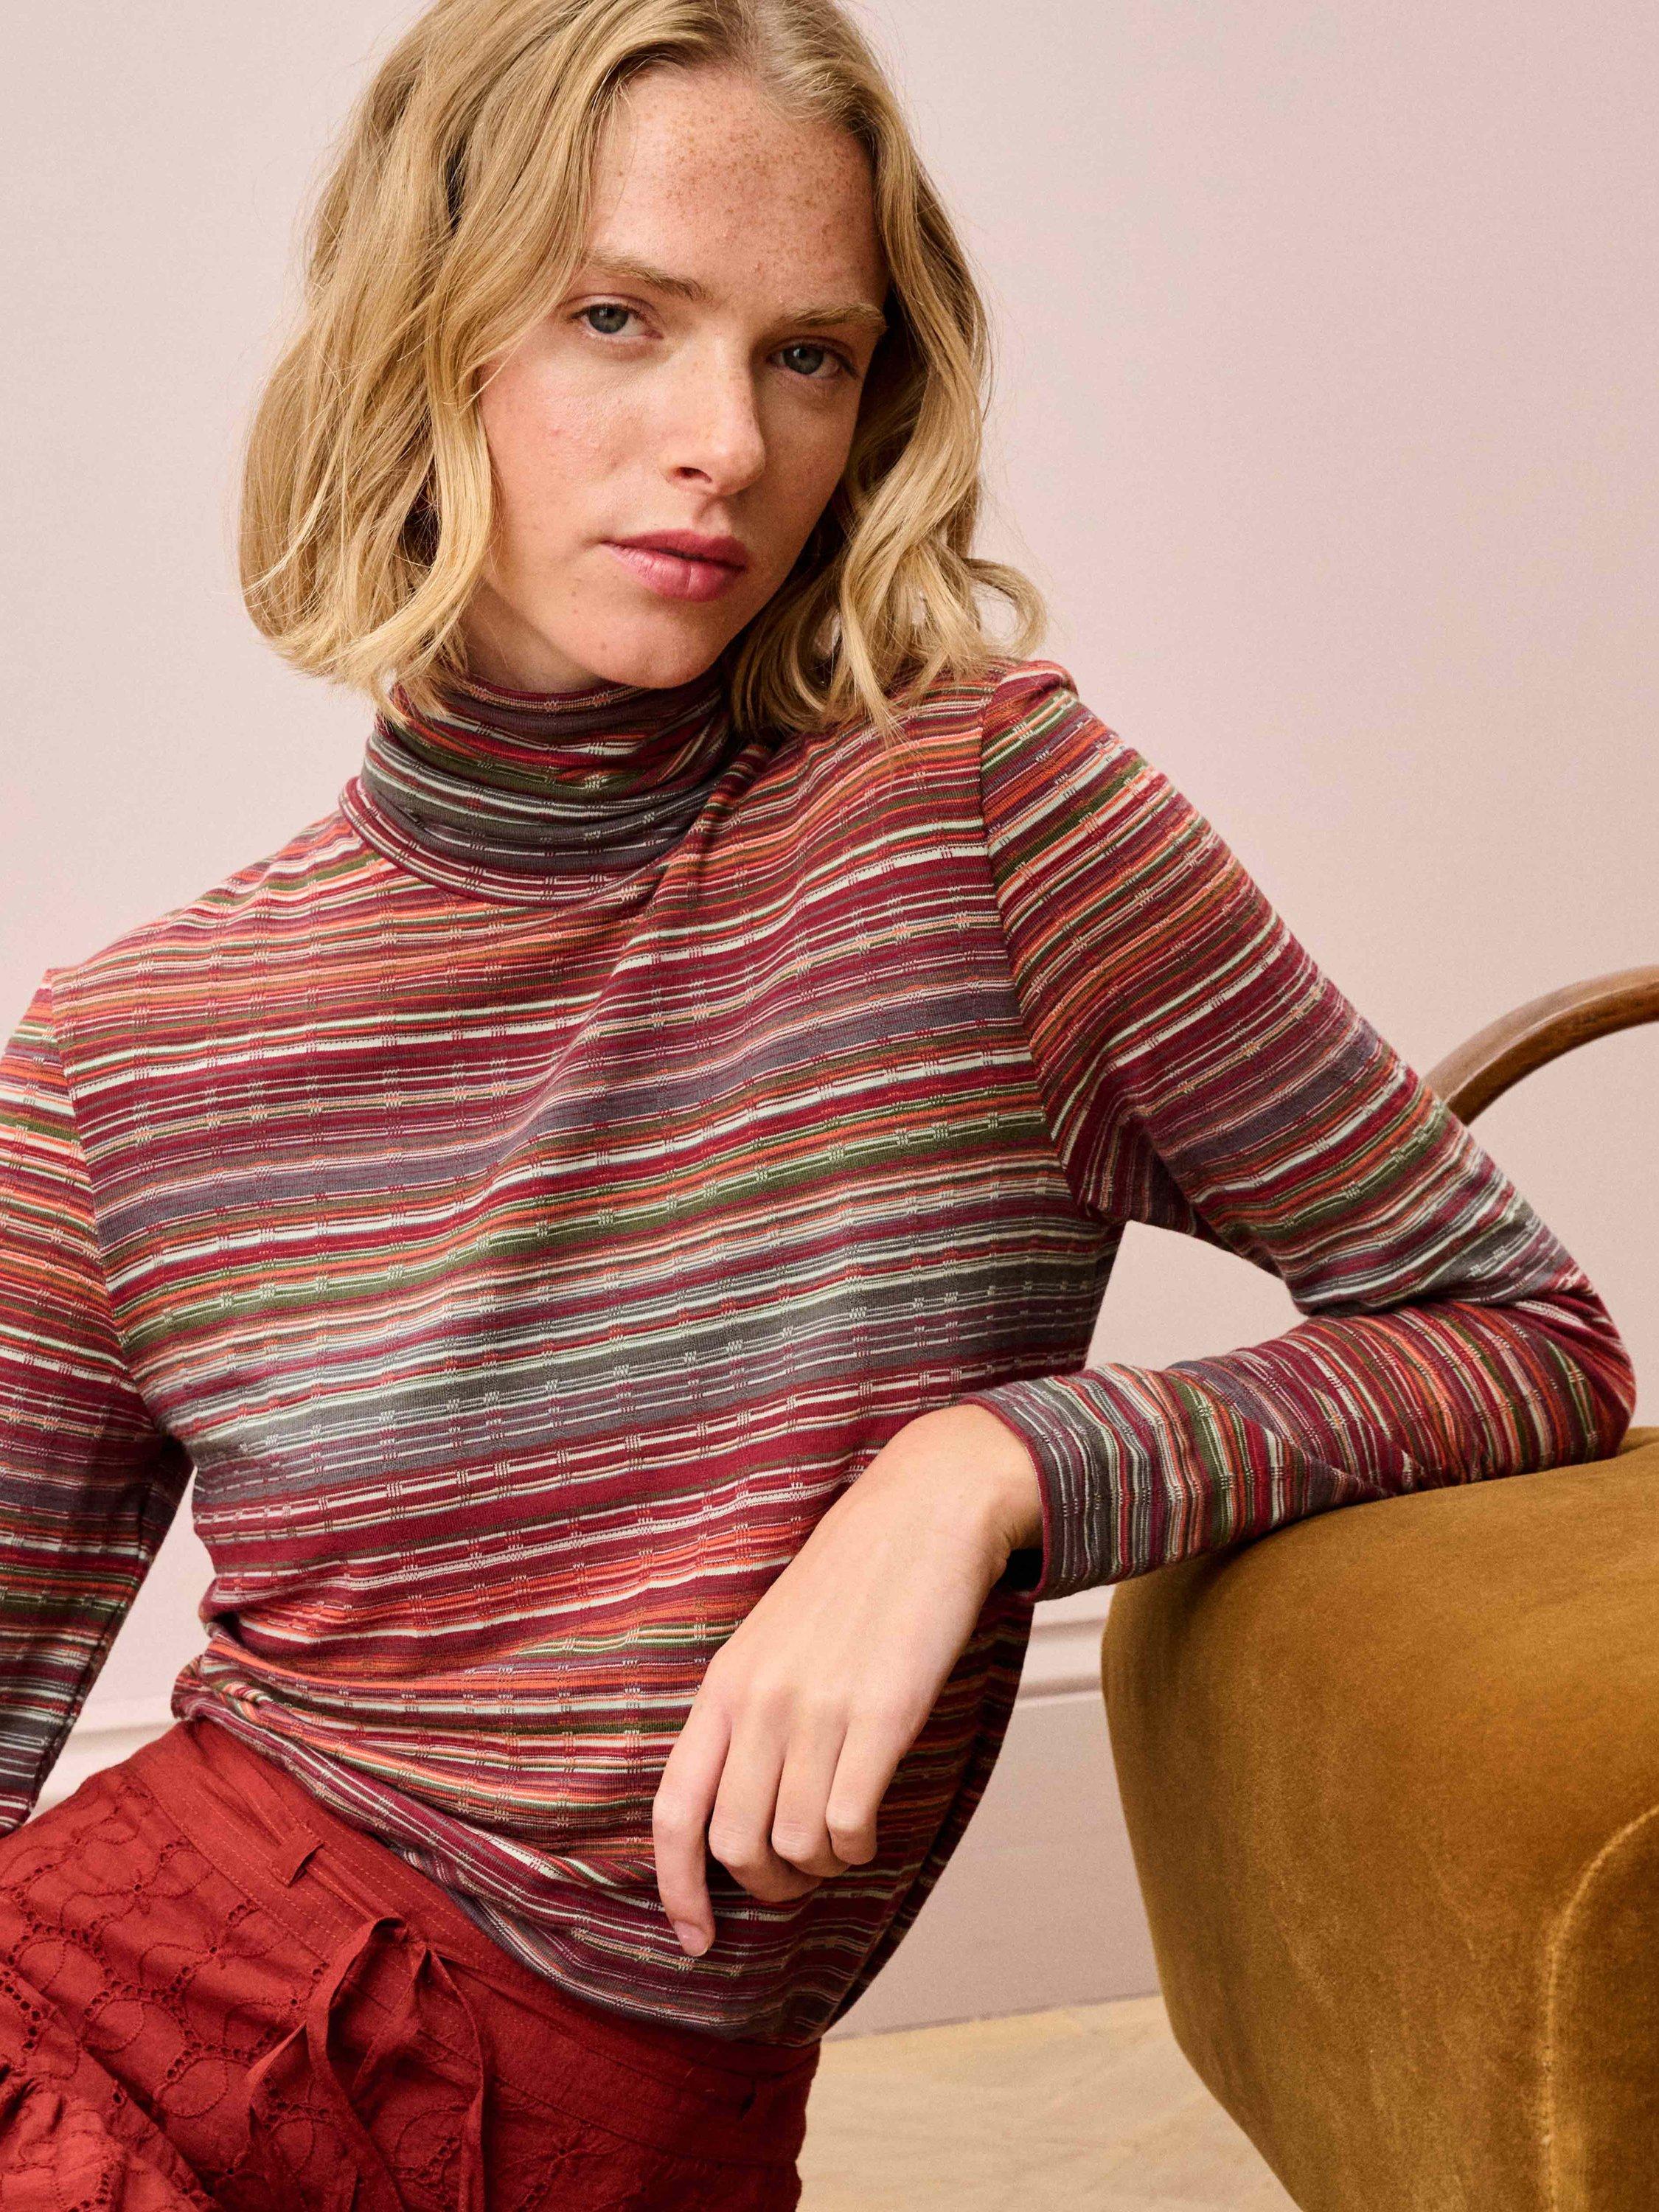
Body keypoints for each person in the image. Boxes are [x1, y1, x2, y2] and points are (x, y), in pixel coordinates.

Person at [0, 0, 1636, 2203]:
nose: (724, 443)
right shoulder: (124, 1051)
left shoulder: (978, 827)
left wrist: (982, 1468)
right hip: (122, 2042)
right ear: (420, 335)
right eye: (617, 318)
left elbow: (1520, 1331)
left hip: (618, 2123)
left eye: (807, 355)